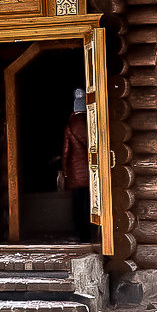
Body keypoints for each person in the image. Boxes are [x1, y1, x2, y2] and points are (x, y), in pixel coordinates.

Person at [61, 88, 98, 243]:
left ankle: (81, 234)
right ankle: (93, 233)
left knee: (78, 204)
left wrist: (65, 171)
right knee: (91, 203)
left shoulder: (70, 126)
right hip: (92, 170)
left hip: (76, 173)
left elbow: (66, 152)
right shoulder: (92, 123)